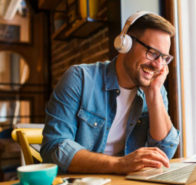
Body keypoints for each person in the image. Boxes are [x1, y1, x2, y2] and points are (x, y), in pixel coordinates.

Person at [40, 11, 180, 174]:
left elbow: (164, 154)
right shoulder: (80, 79)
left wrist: (154, 94)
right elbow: (54, 147)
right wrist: (120, 164)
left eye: (164, 58)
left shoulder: (155, 87)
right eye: (152, 53)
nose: (158, 65)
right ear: (125, 44)